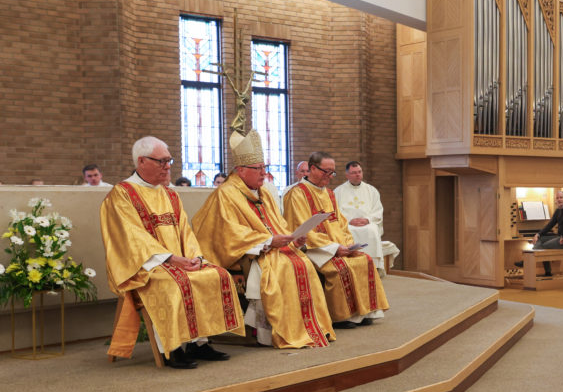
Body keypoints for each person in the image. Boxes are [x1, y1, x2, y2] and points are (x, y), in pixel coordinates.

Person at [100, 137, 243, 369]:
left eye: (169, 160)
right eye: (162, 161)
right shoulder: (122, 194)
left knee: (215, 274)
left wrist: (195, 257)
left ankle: (199, 343)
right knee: (173, 283)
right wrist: (171, 259)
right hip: (144, 266)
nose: (168, 166)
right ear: (142, 161)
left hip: (179, 260)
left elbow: (185, 230)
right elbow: (130, 238)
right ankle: (172, 348)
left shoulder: (170, 194)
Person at [191, 129, 335, 349]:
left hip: (274, 247)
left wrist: (294, 239)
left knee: (303, 263)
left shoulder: (265, 192)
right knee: (282, 267)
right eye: (257, 168)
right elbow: (227, 233)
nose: (263, 173)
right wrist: (267, 242)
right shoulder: (226, 194)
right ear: (240, 170)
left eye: (264, 168)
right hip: (247, 253)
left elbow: (279, 224)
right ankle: (275, 331)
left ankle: (308, 327)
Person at [283, 152, 389, 328]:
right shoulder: (297, 194)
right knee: (341, 268)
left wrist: (348, 244)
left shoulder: (330, 194)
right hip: (314, 248)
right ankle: (341, 317)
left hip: (338, 246)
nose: (330, 177)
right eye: (326, 172)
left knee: (365, 260)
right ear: (313, 169)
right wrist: (334, 248)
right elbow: (303, 229)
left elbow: (342, 223)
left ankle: (363, 313)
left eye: (332, 172)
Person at [334, 161, 400, 274]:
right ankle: (352, 268)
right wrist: (349, 220)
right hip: (348, 225)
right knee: (349, 231)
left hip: (367, 224)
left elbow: (378, 210)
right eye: (354, 173)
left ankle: (374, 267)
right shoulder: (338, 192)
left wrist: (367, 219)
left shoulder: (371, 190)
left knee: (373, 230)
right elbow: (335, 213)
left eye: (359, 172)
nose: (357, 175)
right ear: (347, 175)